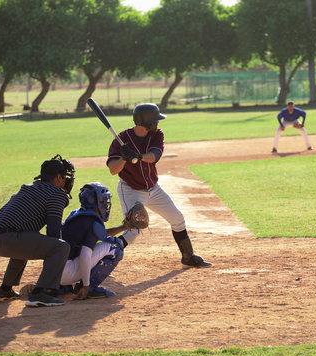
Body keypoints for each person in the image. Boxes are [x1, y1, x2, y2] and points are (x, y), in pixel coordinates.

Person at [106, 103, 211, 268]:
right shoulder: (121, 140)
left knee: (177, 218)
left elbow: (155, 156)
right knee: (134, 230)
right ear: (146, 122)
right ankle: (101, 260)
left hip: (153, 189)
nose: (158, 123)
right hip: (131, 190)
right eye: (155, 120)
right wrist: (124, 158)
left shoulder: (156, 135)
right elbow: (113, 169)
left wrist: (138, 156)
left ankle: (188, 257)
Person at [0, 154, 75, 307]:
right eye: (65, 176)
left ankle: (5, 290)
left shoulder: (31, 187)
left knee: (28, 238)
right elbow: (53, 233)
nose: (67, 180)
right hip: (7, 239)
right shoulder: (56, 193)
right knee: (61, 247)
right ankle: (41, 294)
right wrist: (59, 263)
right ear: (58, 177)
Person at [59, 182, 128, 299]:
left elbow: (99, 235)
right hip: (68, 272)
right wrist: (86, 285)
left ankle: (62, 288)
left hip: (54, 271)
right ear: (95, 202)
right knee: (116, 245)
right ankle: (90, 289)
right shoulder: (91, 221)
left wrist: (124, 227)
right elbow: (85, 254)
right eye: (104, 201)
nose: (106, 204)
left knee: (82, 248)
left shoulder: (78, 214)